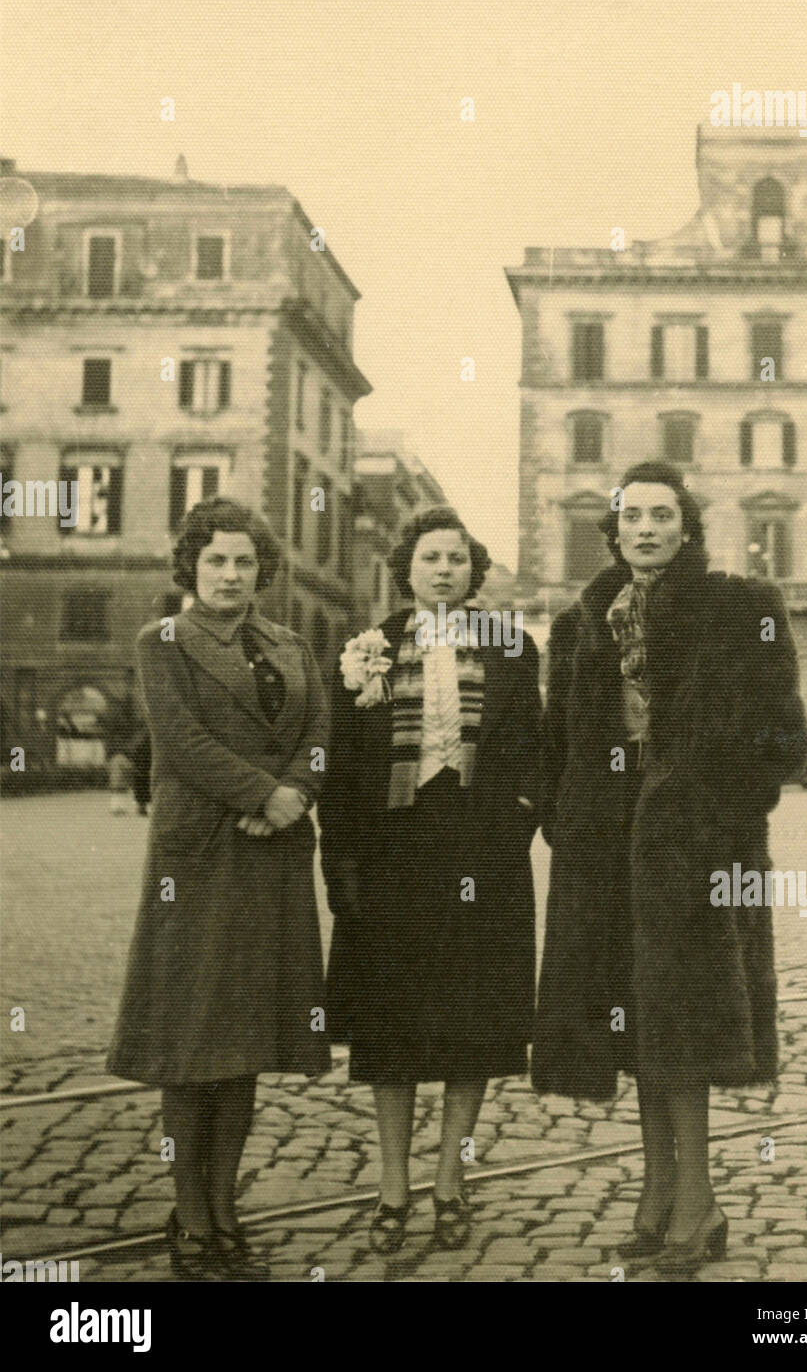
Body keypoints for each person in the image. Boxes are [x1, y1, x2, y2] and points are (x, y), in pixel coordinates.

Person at [533, 460, 807, 1275]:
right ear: (611, 530)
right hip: (603, 862)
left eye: (662, 515)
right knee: (635, 1030)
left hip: (696, 861)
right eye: (631, 517)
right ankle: (656, 1197)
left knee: (681, 1032)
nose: (645, 528)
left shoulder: (740, 607)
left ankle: (701, 1204)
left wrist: (712, 814)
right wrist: (567, 820)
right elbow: (558, 746)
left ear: (686, 527)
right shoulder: (580, 621)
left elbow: (782, 742)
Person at [107, 497, 331, 1280]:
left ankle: (224, 1200)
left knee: (244, 1042)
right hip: (199, 861)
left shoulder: (291, 642)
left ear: (260, 569)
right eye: (216, 562)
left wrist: (298, 792)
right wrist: (261, 795)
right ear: (190, 569)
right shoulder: (161, 641)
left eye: (243, 562)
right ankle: (190, 1209)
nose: (231, 575)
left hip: (273, 857)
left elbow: (319, 733)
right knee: (190, 1037)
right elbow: (181, 741)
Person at [318, 506, 541, 1254]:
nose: (443, 569)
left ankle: (450, 1180)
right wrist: (343, 865)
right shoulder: (366, 649)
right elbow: (343, 772)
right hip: (394, 860)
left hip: (483, 859)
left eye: (455, 558)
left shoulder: (512, 648)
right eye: (428, 558)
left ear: (474, 570)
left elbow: (533, 748)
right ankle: (390, 1188)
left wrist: (512, 816)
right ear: (404, 569)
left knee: (472, 1024)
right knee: (393, 1028)